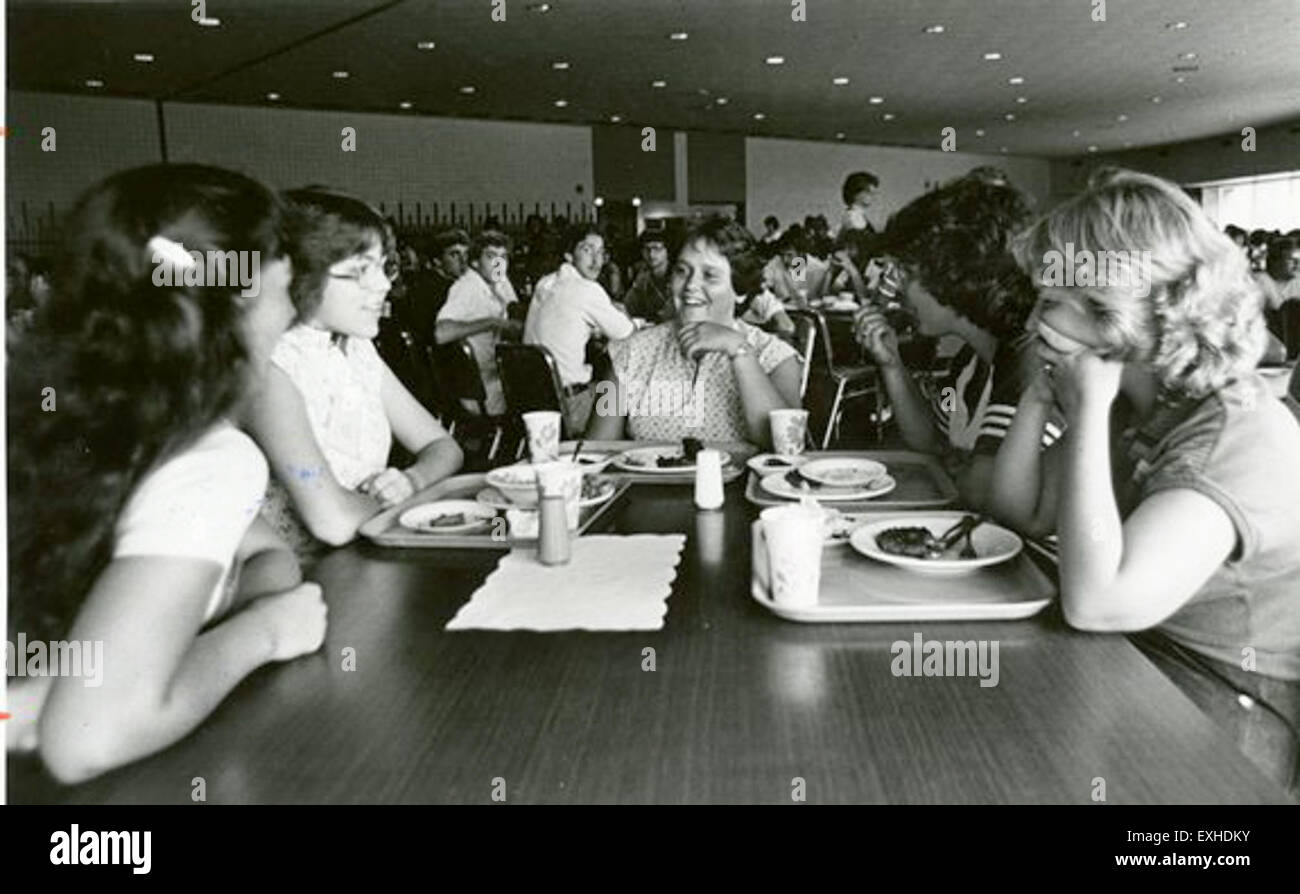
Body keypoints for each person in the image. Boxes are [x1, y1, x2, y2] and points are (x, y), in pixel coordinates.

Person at [6, 163, 325, 782]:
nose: (292, 315)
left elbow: (264, 552)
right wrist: (264, 632)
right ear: (241, 298)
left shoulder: (68, 413)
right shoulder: (206, 457)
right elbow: (87, 739)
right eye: (287, 291)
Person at [989, 168, 1300, 796]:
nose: (1033, 321)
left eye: (1050, 302)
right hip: (1139, 660)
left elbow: (1098, 602)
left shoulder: (1232, 434)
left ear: (1116, 313)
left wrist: (1093, 405)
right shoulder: (1149, 401)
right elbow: (1019, 511)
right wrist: (1039, 396)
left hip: (1227, 702)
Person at [246, 188, 464, 553]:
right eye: (358, 272)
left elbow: (443, 446)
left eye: (383, 267)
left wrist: (411, 480)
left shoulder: (355, 350)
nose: (383, 285)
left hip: (363, 550)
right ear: (300, 277)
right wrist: (390, 503)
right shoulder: (269, 366)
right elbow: (332, 522)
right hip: (299, 576)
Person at [853, 176, 1060, 509]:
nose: (900, 288)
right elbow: (929, 440)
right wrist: (892, 363)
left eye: (907, 271)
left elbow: (981, 491)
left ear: (951, 272)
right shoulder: (971, 357)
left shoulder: (1024, 355)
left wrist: (955, 461)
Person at [587, 216, 802, 446]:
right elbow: (594, 448)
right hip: (650, 483)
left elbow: (785, 444)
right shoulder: (629, 354)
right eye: (682, 271)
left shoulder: (776, 357)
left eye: (709, 275)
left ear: (739, 289)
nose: (690, 286)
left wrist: (740, 352)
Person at [524, 224, 635, 432]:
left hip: (535, 401)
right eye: (587, 250)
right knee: (630, 397)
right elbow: (629, 334)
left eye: (601, 252)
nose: (596, 260)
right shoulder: (587, 289)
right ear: (568, 255)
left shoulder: (544, 283)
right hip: (572, 405)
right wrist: (621, 312)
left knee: (602, 383)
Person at [435, 229, 523, 415]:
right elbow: (441, 333)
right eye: (491, 256)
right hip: (483, 389)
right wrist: (491, 322)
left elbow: (513, 310)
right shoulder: (467, 287)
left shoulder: (497, 280)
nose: (499, 263)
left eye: (503, 257)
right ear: (474, 262)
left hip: (497, 376)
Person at [1255, 236, 1300, 358]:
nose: (1297, 265)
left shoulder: (1297, 283)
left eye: (1299, 260)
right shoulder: (1260, 282)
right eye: (1292, 260)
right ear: (1275, 261)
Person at [622, 228, 675, 323]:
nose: (651, 254)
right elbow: (629, 305)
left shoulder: (678, 276)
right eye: (647, 249)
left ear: (667, 251)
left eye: (657, 248)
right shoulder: (643, 278)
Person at [839, 171, 879, 235]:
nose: (872, 196)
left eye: (873, 193)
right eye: (868, 191)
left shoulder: (857, 215)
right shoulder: (853, 216)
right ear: (856, 193)